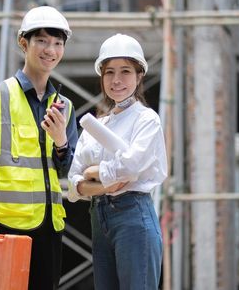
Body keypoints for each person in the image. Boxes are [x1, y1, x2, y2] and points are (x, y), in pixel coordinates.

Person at [0, 6, 79, 290]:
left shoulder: (64, 106)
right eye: (42, 41)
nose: (50, 50)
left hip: (49, 226)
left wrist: (61, 141)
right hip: (5, 224)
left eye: (57, 43)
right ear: (24, 43)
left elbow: (69, 169)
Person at [68, 33, 167, 290]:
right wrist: (103, 183)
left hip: (133, 215)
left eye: (125, 71)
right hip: (99, 218)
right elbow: (73, 180)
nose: (116, 79)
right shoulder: (96, 125)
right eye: (109, 72)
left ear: (139, 75)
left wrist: (93, 173)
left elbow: (131, 168)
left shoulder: (146, 120)